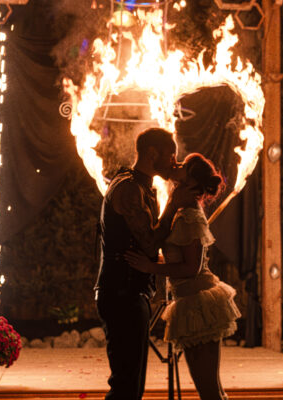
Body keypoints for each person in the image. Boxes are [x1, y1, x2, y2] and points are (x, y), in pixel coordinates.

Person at [125, 153, 241, 400]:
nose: (176, 164)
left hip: (199, 303)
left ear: (191, 181)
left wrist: (150, 267)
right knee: (208, 388)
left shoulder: (190, 216)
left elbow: (191, 268)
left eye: (184, 166)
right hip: (190, 301)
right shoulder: (182, 210)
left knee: (209, 389)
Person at [94, 127, 195, 400]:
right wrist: (173, 204)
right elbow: (149, 243)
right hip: (121, 294)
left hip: (130, 292)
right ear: (153, 153)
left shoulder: (139, 186)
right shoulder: (128, 188)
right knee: (125, 386)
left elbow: (147, 247)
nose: (174, 163)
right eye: (170, 156)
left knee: (132, 385)